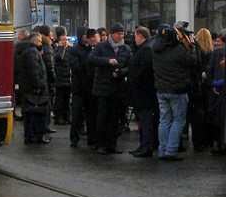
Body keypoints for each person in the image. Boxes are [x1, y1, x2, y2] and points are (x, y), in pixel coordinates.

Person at [152, 23, 195, 161]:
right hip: (177, 89)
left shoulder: (156, 49)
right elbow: (193, 61)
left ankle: (162, 150)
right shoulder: (179, 50)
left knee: (164, 121)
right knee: (178, 121)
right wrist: (191, 46)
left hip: (161, 88)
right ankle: (171, 151)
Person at [89, 22, 132, 155]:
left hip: (117, 88)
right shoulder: (101, 46)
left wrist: (121, 72)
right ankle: (100, 143)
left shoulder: (126, 49)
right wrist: (107, 61)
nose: (121, 36)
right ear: (112, 34)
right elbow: (91, 59)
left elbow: (130, 66)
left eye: (122, 34)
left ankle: (112, 144)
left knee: (114, 118)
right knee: (102, 117)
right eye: (119, 34)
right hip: (102, 88)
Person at [125, 26, 158, 157]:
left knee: (145, 121)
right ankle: (143, 145)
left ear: (139, 36)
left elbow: (144, 69)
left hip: (143, 92)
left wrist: (134, 81)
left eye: (135, 37)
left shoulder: (146, 49)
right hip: (143, 91)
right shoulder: (146, 48)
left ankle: (146, 146)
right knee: (143, 120)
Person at [15, 32, 50, 144]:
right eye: (39, 41)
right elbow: (34, 70)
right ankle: (38, 136)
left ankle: (29, 136)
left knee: (28, 113)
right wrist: (37, 86)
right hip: (33, 88)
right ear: (33, 41)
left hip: (25, 86)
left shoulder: (23, 50)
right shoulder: (32, 51)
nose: (40, 43)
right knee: (38, 113)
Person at [67, 27, 99, 148]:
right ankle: (74, 138)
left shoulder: (93, 49)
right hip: (79, 87)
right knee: (76, 114)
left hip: (91, 87)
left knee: (91, 114)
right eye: (85, 35)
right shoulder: (74, 50)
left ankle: (92, 137)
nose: (88, 37)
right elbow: (76, 67)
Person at [189, 28, 215, 152]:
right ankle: (208, 140)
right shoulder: (212, 52)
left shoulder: (196, 50)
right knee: (207, 113)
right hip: (208, 86)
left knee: (197, 116)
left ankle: (198, 141)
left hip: (197, 86)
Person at [51, 26, 73, 125]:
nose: (65, 42)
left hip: (68, 78)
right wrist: (61, 48)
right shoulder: (57, 49)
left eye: (66, 40)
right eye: (63, 40)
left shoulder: (70, 49)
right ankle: (58, 117)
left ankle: (67, 116)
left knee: (67, 99)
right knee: (59, 99)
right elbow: (59, 58)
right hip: (60, 78)